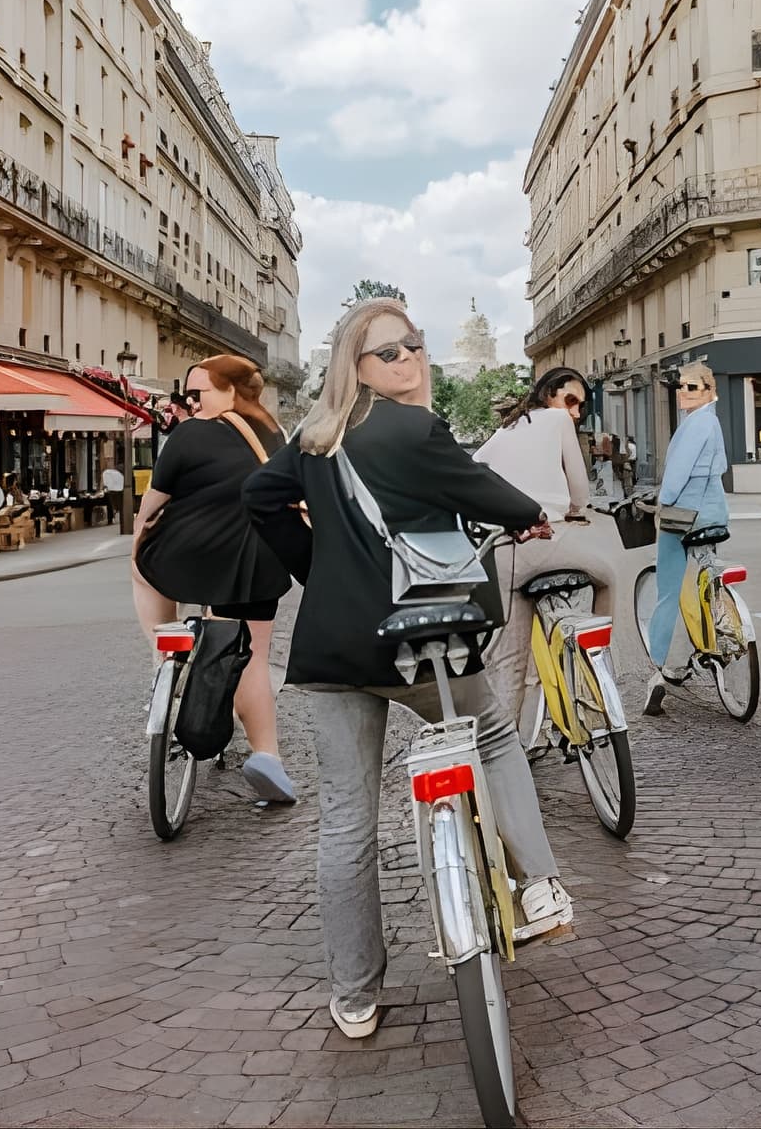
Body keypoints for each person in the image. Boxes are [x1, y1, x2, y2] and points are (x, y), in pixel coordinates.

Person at [242, 299, 573, 1041]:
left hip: (333, 652)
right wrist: (528, 514)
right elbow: (484, 493)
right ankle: (541, 885)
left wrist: (317, 571)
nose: (410, 361)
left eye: (415, 346)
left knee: (347, 821)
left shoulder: (313, 438)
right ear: (356, 367)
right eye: (390, 353)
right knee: (489, 734)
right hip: (416, 640)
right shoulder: (415, 428)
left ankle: (355, 995)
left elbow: (259, 497)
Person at [131, 355, 297, 804]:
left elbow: (149, 511)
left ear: (229, 392)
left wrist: (135, 547)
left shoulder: (189, 433)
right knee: (253, 657)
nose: (190, 402)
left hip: (184, 557)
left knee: (144, 572)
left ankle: (165, 658)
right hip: (255, 562)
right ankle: (267, 757)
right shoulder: (274, 436)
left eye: (197, 393)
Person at [474, 367, 623, 735]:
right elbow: (579, 491)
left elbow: (475, 468)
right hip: (544, 542)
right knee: (607, 577)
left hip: (504, 553)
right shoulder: (557, 422)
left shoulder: (506, 428)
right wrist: (573, 510)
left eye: (580, 407)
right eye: (570, 401)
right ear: (549, 395)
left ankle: (502, 752)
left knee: (510, 661)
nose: (574, 412)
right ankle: (597, 667)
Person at [643, 362, 728, 716]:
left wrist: (660, 502)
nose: (683, 392)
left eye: (692, 387)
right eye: (681, 386)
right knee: (706, 578)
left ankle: (659, 670)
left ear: (710, 391)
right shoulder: (712, 422)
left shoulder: (697, 424)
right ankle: (720, 632)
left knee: (667, 592)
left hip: (683, 516)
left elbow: (677, 476)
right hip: (713, 515)